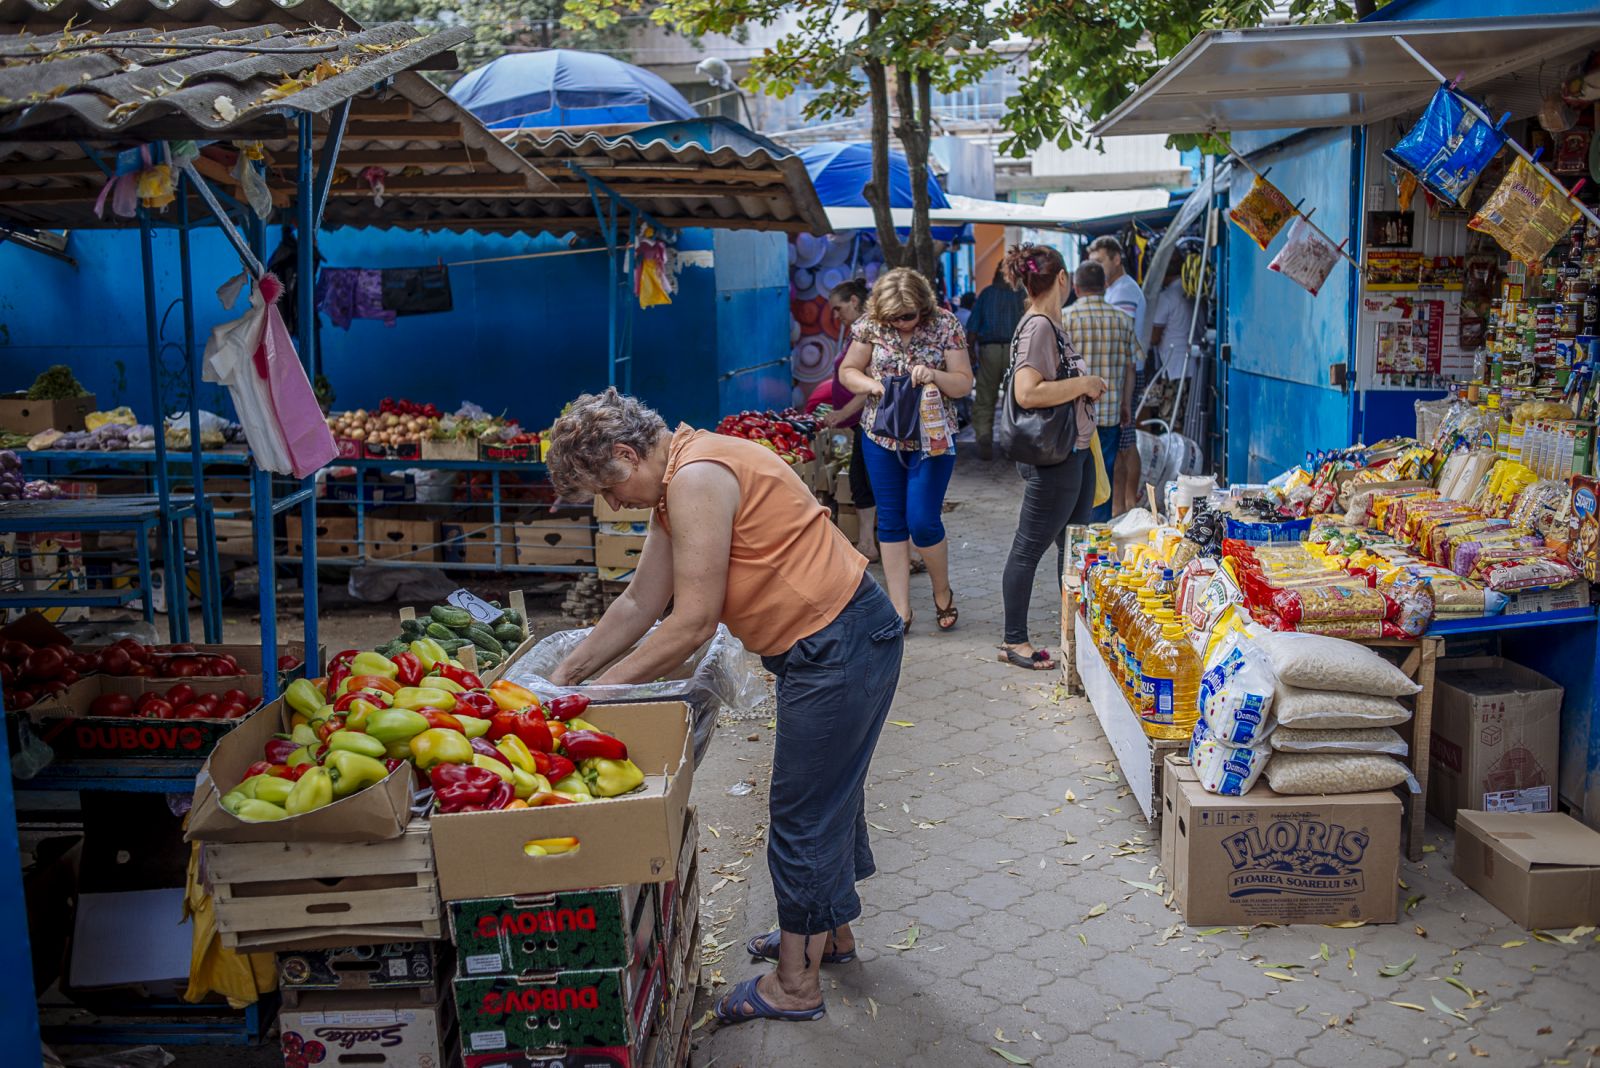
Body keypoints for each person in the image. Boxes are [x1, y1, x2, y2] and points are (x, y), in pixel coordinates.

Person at [545, 390, 904, 1027]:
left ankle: (795, 985)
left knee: (804, 812)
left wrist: (597, 697)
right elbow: (638, 603)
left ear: (628, 455)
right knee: (829, 798)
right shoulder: (679, 475)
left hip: (839, 643)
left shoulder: (696, 478)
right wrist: (563, 679)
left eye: (605, 487)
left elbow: (691, 623)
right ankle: (832, 937)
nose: (610, 505)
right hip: (833, 642)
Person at [840, 267, 973, 632]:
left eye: (909, 316)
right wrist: (873, 385)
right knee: (892, 520)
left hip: (932, 438)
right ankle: (900, 611)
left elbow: (963, 383)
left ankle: (941, 592)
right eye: (894, 318)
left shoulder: (946, 324)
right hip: (881, 436)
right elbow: (848, 370)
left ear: (923, 307)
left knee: (923, 520)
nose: (902, 323)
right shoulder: (870, 325)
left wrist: (934, 376)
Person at [998, 247, 1107, 670]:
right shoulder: (1040, 326)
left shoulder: (1051, 324)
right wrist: (1085, 383)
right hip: (1055, 459)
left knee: (1073, 546)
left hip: (1073, 452)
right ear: (1062, 278)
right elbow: (1027, 392)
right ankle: (1014, 641)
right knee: (1028, 548)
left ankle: (1073, 633)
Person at [1061, 259, 1141, 522]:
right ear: (1105, 286)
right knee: (1102, 475)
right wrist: (1126, 405)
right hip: (1108, 414)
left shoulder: (1065, 318)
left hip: (1070, 414)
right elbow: (1131, 368)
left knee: (1071, 474)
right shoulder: (1122, 320)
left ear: (1076, 286)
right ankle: (1097, 538)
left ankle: (1073, 533)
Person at [1087, 235, 1148, 517]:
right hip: (1121, 374)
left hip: (1126, 375)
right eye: (1092, 262)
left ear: (1116, 259)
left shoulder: (1124, 292)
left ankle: (1127, 504)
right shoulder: (1116, 289)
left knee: (1125, 443)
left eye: (1100, 261)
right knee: (1122, 444)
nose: (1096, 267)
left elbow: (1117, 341)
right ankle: (1119, 506)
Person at [821, 279, 878, 562]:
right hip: (862, 423)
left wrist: (843, 413)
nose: (836, 315)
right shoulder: (856, 332)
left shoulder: (867, 331)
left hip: (871, 422)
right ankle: (868, 543)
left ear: (854, 301)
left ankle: (878, 545)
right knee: (862, 481)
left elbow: (872, 383)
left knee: (866, 482)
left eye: (838, 308)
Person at [966, 262, 1028, 460]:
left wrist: (971, 350)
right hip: (1016, 350)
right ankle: (1014, 440)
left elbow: (973, 325)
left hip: (989, 349)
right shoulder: (1023, 295)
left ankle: (984, 434)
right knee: (1015, 399)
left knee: (985, 396)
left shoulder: (987, 294)